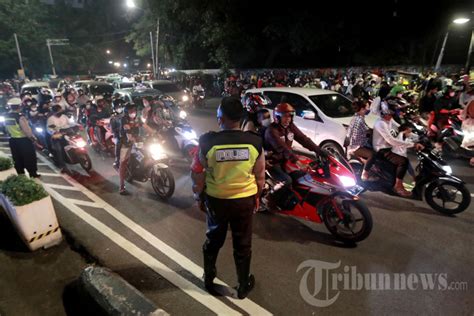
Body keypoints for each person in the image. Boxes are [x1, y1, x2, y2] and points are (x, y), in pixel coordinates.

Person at [191, 96, 265, 299]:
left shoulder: (207, 142)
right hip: (244, 200)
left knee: (214, 238)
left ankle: (209, 278)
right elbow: (260, 176)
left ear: (220, 118)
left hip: (217, 200)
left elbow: (197, 172)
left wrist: (198, 196)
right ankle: (242, 285)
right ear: (240, 118)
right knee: (243, 243)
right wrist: (257, 197)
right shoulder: (255, 142)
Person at [264, 103, 327, 187]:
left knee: (305, 176)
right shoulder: (272, 131)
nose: (288, 119)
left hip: (286, 160)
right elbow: (283, 148)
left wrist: (319, 150)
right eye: (285, 116)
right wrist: (298, 162)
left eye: (290, 116)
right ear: (278, 117)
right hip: (273, 163)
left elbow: (303, 139)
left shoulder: (290, 127)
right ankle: (267, 199)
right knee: (287, 181)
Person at [372, 104, 424, 197]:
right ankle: (398, 186)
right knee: (403, 161)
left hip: (388, 147)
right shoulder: (381, 123)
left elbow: (400, 127)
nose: (391, 116)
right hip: (381, 148)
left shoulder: (389, 120)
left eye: (392, 114)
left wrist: (417, 136)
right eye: (389, 114)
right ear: (383, 114)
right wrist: (413, 144)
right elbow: (391, 140)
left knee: (403, 157)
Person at [4, 100, 40, 178]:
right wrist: (33, 138)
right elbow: (26, 130)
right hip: (24, 140)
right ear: (19, 106)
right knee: (29, 157)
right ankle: (32, 173)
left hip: (13, 140)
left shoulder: (6, 116)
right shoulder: (20, 117)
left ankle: (20, 173)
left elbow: (6, 129)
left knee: (17, 157)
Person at [346, 100, 377, 181]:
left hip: (356, 143)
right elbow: (368, 130)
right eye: (366, 107)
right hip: (356, 146)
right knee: (372, 154)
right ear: (362, 109)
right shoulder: (359, 120)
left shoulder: (356, 117)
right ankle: (365, 174)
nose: (367, 109)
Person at [118, 104, 140, 194]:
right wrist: (132, 139)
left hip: (137, 141)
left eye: (134, 111)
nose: (133, 113)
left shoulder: (137, 118)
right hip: (126, 142)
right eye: (131, 111)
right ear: (127, 113)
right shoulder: (124, 120)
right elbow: (128, 131)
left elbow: (145, 125)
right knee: (123, 162)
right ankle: (121, 185)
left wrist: (154, 133)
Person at [47, 105, 74, 173]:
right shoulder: (51, 119)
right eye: (58, 111)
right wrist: (54, 132)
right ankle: (62, 166)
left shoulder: (64, 116)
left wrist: (76, 126)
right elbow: (49, 129)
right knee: (59, 150)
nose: (60, 112)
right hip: (58, 136)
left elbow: (70, 124)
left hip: (67, 133)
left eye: (60, 110)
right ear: (54, 112)